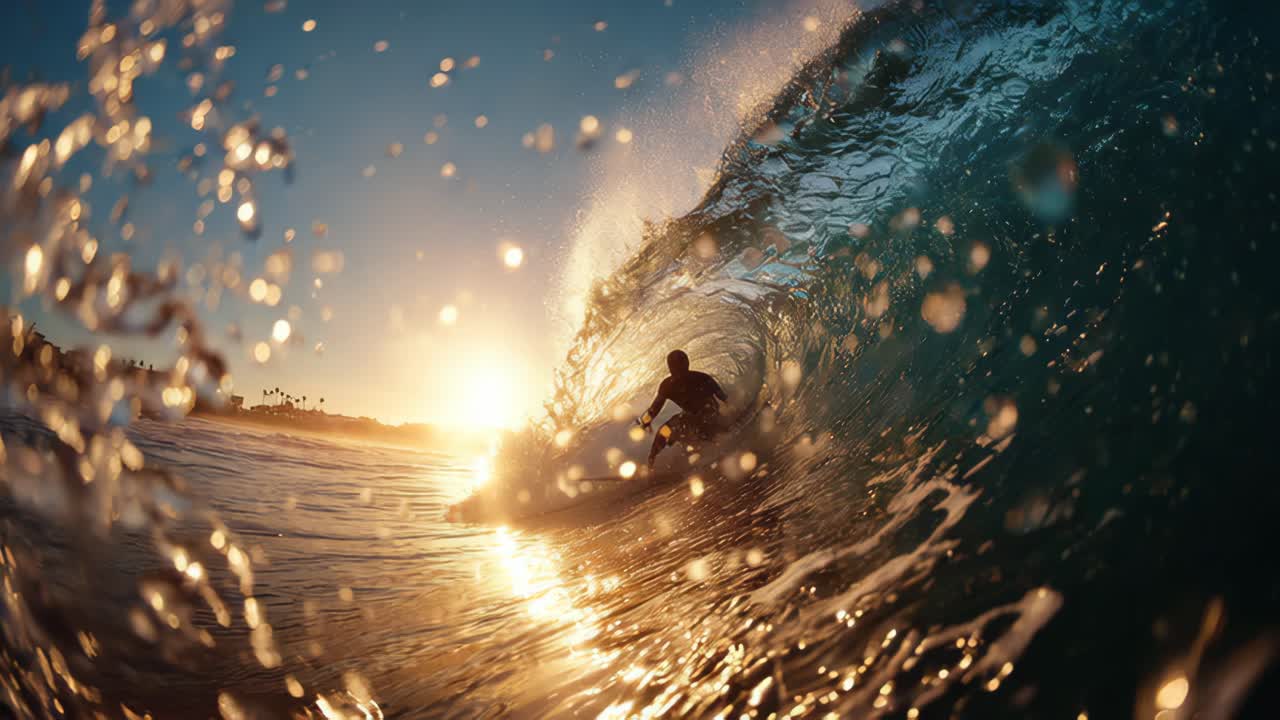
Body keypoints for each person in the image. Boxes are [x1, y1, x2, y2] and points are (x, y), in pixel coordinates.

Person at [638, 349, 727, 468]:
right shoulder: (667, 386)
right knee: (664, 430)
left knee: (698, 423)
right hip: (689, 416)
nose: (678, 371)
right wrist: (645, 421)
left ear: (687, 364)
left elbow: (724, 399)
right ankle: (651, 463)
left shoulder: (702, 378)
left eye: (680, 366)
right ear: (670, 368)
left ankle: (715, 450)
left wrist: (732, 414)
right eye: (674, 367)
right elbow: (655, 408)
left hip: (710, 414)